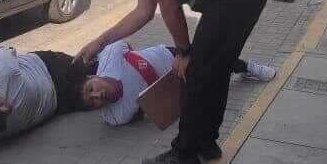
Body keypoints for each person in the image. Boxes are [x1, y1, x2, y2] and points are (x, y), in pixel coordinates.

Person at [77, 0, 268, 164]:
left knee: (196, 74)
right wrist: (99, 42)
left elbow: (168, 5)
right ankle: (205, 143)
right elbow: (143, 12)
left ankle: (184, 155)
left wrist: (183, 52)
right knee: (215, 71)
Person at [81, 41, 277, 127]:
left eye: (91, 89)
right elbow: (144, 113)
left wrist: (136, 66)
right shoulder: (116, 117)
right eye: (93, 102)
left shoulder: (109, 57)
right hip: (172, 89)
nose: (97, 95)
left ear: (93, 77)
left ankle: (248, 67)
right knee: (208, 86)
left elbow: (126, 46)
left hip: (170, 57)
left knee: (210, 59)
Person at [0, 46, 93, 143]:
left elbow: (5, 50)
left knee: (92, 66)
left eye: (0, 106)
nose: (6, 110)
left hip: (49, 68)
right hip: (59, 104)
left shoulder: (1, 72)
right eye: (0, 118)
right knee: (97, 94)